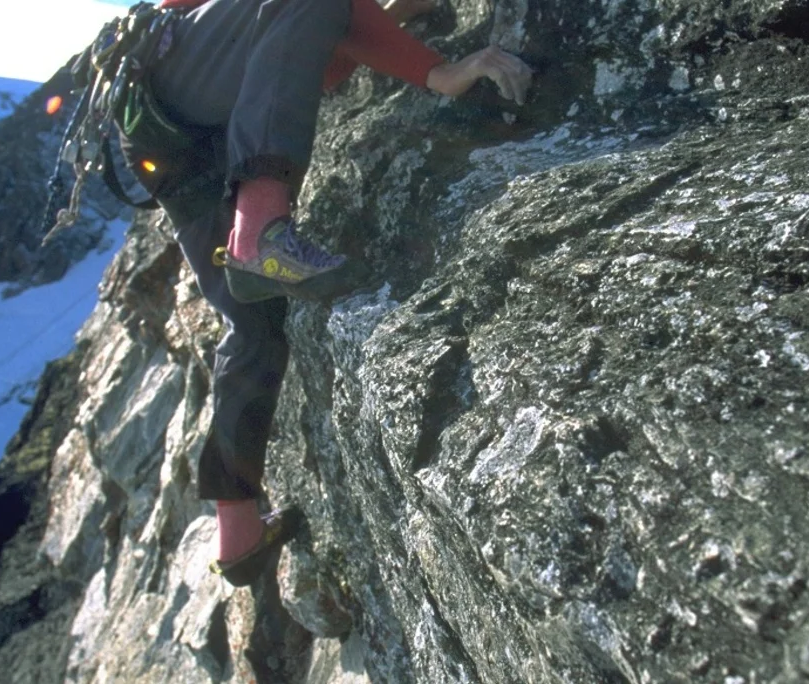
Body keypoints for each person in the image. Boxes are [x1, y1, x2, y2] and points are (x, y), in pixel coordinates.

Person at [117, 0, 534, 586]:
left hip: (175, 135)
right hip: (184, 84)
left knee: (254, 319)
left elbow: (341, 21)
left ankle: (238, 532)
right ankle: (260, 227)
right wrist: (437, 71)